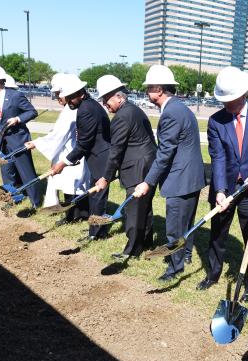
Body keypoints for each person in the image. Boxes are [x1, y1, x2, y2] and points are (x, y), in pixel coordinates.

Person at [198, 66, 248, 299]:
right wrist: (221, 190)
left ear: (243, 94)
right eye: (224, 100)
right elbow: (218, 157)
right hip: (227, 188)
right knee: (217, 233)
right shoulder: (216, 122)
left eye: (231, 100)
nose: (227, 105)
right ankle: (213, 274)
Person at [133, 65, 206, 281]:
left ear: (158, 89)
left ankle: (175, 268)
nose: (147, 93)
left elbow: (165, 154)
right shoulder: (180, 108)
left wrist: (147, 182)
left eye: (148, 89)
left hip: (180, 179)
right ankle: (186, 256)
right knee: (187, 224)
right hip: (191, 178)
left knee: (175, 228)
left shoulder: (171, 113)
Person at [93, 75, 157, 260]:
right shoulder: (134, 110)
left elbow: (116, 151)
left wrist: (105, 177)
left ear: (119, 97)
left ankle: (131, 251)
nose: (105, 104)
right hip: (147, 164)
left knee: (133, 210)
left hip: (137, 168)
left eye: (107, 99)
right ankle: (145, 241)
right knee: (144, 207)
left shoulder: (121, 117)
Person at [50, 74, 111, 242]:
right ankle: (96, 229)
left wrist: (63, 163)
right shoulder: (88, 105)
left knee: (97, 197)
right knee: (94, 195)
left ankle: (96, 233)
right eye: (67, 97)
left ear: (81, 94)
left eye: (71, 97)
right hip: (97, 156)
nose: (69, 101)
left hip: (101, 158)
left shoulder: (86, 110)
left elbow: (83, 143)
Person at [25, 73, 89, 224]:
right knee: (73, 184)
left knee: (73, 184)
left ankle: (75, 216)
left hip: (74, 152)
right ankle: (75, 214)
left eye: (58, 94)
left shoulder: (72, 110)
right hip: (72, 151)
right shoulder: (70, 107)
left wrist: (37, 143)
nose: (57, 98)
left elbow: (58, 135)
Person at [0, 64, 41, 208]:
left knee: (26, 172)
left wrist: (17, 119)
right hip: (0, 142)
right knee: (6, 172)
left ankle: (35, 202)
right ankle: (13, 197)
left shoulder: (16, 95)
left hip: (18, 139)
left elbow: (32, 112)